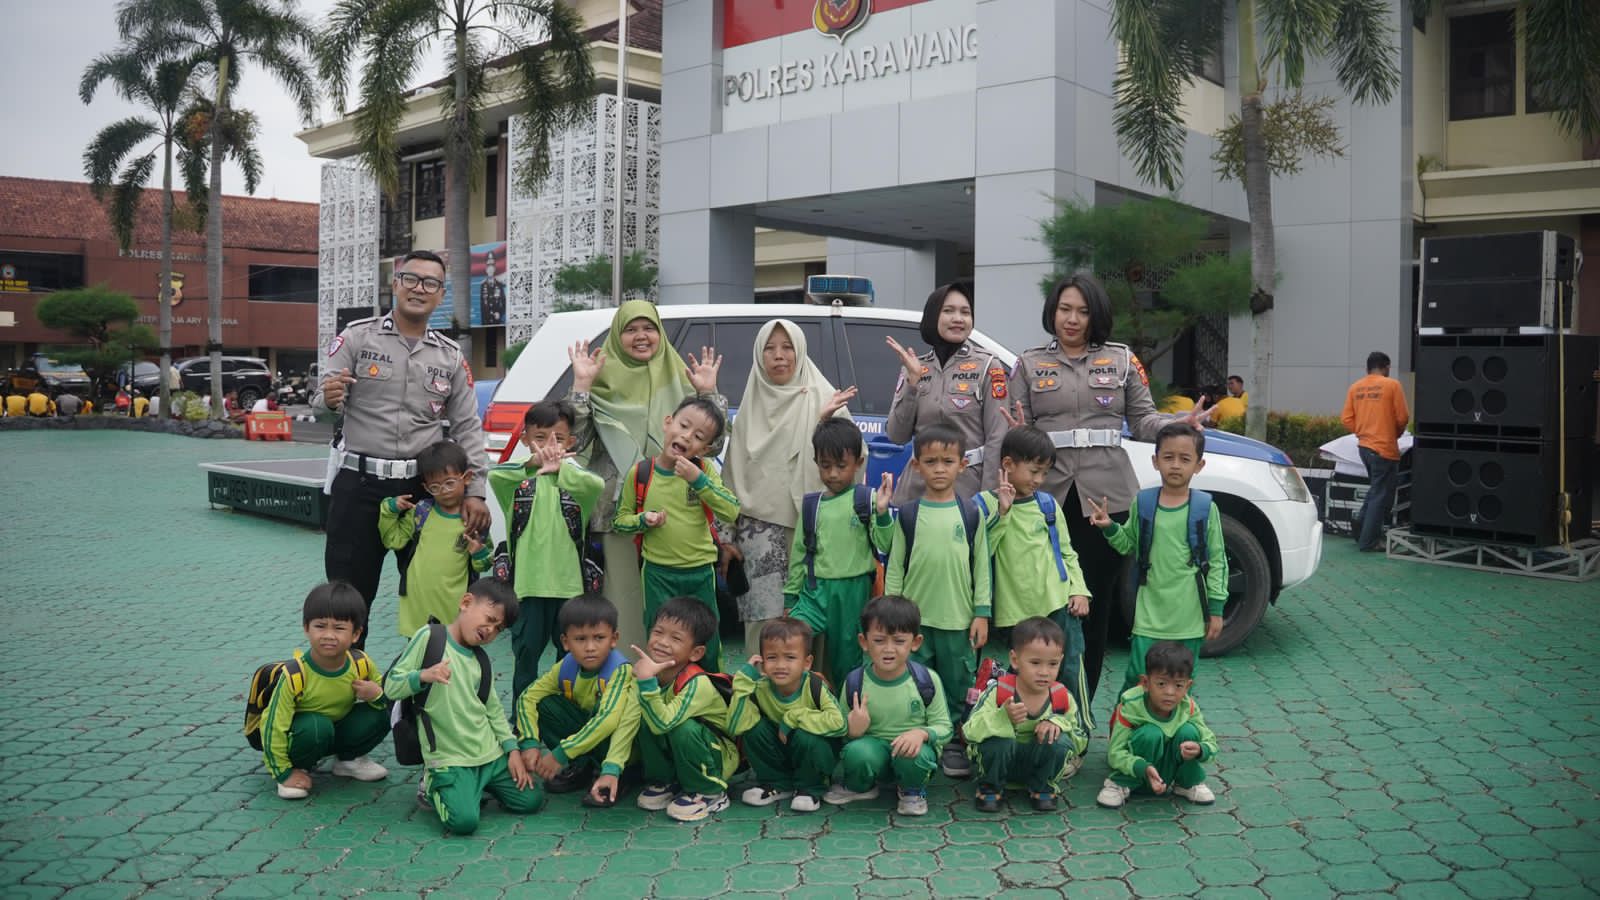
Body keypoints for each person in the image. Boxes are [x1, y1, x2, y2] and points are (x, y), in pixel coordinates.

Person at [1007, 272, 1206, 707]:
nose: (1072, 319)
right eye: (1064, 309)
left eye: (1082, 311)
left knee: (1091, 612)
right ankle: (1037, 708)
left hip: (1105, 501)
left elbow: (1144, 420)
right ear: (1052, 312)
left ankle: (1078, 714)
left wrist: (1178, 424)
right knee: (1041, 609)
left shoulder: (1121, 360)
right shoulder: (1028, 364)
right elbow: (1017, 432)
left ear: (1095, 315)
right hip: (1045, 501)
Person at [314, 250, 489, 649]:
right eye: (411, 279)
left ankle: (433, 678)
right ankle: (349, 678)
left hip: (424, 494)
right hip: (360, 487)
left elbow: (467, 426)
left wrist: (475, 490)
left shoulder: (450, 356)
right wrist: (329, 399)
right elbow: (321, 404)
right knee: (348, 598)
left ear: (441, 293)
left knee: (437, 592)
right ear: (395, 284)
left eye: (430, 283)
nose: (419, 288)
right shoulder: (357, 337)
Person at [566, 299, 724, 651]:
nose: (641, 336)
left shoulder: (681, 380)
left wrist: (707, 393)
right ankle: (630, 674)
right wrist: (582, 387)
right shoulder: (600, 381)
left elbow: (712, 447)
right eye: (631, 329)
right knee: (625, 602)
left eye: (649, 328)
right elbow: (574, 441)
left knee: (679, 613)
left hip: (677, 514)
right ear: (617, 336)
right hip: (618, 515)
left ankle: (676, 676)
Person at [722, 319, 857, 652]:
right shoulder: (750, 409)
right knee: (763, 625)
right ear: (759, 356)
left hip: (815, 528)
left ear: (800, 352)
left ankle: (812, 685)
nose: (779, 356)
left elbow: (853, 459)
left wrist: (825, 422)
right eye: (769, 349)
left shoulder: (824, 398)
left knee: (811, 624)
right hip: (759, 534)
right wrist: (725, 538)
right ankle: (758, 686)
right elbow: (730, 478)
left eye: (787, 347)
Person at [385, 578, 545, 835]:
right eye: (489, 619)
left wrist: (512, 750)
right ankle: (434, 786)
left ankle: (477, 786)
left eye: (499, 629)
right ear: (466, 602)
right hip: (450, 758)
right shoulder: (430, 637)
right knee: (464, 822)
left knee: (531, 800)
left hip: (489, 755)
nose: (490, 630)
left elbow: (493, 710)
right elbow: (391, 686)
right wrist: (423, 676)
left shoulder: (481, 659)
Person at [876, 423, 991, 778]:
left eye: (947, 461)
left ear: (962, 465)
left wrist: (981, 613)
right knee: (916, 682)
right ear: (916, 466)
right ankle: (916, 738)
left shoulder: (971, 513)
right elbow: (895, 566)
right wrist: (892, 614)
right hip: (914, 624)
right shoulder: (908, 514)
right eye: (930, 461)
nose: (939, 469)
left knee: (958, 685)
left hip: (958, 620)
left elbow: (981, 567)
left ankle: (954, 742)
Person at [1091, 422, 1227, 696]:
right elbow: (1128, 544)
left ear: (1199, 465)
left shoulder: (1205, 508)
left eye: (1185, 459)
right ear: (1155, 461)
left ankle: (1177, 726)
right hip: (1149, 617)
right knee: (1137, 680)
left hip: (1189, 619)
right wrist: (1109, 528)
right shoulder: (1143, 502)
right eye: (1168, 457)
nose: (1175, 465)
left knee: (1180, 685)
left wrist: (1216, 610)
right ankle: (1125, 723)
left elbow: (1218, 562)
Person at [977, 425, 1093, 733]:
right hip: (1015, 612)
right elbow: (981, 551)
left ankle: (1077, 733)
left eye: (1044, 473)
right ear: (1008, 464)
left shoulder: (1048, 505)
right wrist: (1003, 513)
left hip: (1058, 605)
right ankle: (1020, 732)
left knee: (1069, 669)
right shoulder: (984, 504)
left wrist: (1079, 590)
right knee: (1022, 677)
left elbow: (1067, 553)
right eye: (1034, 471)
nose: (1039, 480)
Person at [613, 397, 740, 672]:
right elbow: (620, 521)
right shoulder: (641, 473)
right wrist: (642, 520)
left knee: (706, 640)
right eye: (683, 425)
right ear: (668, 422)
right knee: (661, 641)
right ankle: (660, 690)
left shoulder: (703, 470)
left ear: (705, 449)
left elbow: (731, 510)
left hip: (700, 572)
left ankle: (713, 687)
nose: (687, 436)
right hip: (658, 574)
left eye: (698, 437)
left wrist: (698, 480)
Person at [488, 401, 605, 697]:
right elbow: (495, 476)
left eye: (559, 439)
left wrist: (560, 468)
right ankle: (523, 717)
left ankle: (561, 716)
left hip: (570, 590)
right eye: (540, 438)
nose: (550, 446)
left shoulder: (575, 484)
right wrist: (532, 465)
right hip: (526, 589)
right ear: (525, 439)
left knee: (568, 661)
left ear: (571, 442)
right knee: (525, 658)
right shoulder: (518, 482)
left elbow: (596, 485)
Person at [823, 595, 953, 816]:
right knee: (857, 752)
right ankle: (861, 786)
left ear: (915, 642)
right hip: (873, 752)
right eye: (879, 640)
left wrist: (921, 733)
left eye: (899, 641)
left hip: (911, 755)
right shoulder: (855, 682)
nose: (889, 649)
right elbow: (839, 731)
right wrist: (852, 730)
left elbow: (945, 728)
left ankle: (912, 791)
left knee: (915, 755)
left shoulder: (926, 680)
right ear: (864, 642)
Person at [260, 582, 390, 800]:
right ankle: (298, 767)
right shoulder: (295, 674)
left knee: (384, 711)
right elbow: (273, 725)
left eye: (339, 628)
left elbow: (391, 700)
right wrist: (282, 772)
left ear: (356, 634)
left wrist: (376, 695)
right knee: (317, 726)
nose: (329, 635)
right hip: (305, 735)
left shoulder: (360, 662)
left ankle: (348, 760)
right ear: (306, 628)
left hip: (334, 729)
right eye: (320, 626)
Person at [884, 281, 1009, 503]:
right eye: (949, 311)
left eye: (965, 312)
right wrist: (912, 383)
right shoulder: (915, 366)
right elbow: (896, 436)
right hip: (917, 491)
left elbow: (997, 437)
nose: (958, 318)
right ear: (933, 316)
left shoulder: (988, 365)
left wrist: (988, 498)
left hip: (967, 488)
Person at [515, 595, 640, 808]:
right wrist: (529, 742)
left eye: (599, 638)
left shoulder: (620, 670)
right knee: (545, 704)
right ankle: (583, 767)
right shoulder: (567, 667)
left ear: (614, 639)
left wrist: (560, 754)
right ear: (565, 642)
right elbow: (528, 697)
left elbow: (608, 721)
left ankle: (618, 773)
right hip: (589, 737)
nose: (590, 647)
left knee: (604, 713)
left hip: (621, 748)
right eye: (580, 639)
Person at [785, 418, 882, 687]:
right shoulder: (811, 505)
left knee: (846, 660)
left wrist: (883, 514)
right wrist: (791, 597)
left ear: (858, 463)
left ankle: (846, 706)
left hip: (853, 592)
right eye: (825, 466)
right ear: (816, 462)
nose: (833, 474)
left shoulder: (866, 499)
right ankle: (793, 700)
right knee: (789, 640)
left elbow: (885, 543)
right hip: (814, 591)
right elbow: (799, 554)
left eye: (841, 466)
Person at [630, 595, 740, 822]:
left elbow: (663, 724)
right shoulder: (652, 671)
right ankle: (666, 781)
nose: (662, 642)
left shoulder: (697, 682)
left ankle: (710, 791)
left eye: (676, 638)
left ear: (695, 653)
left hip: (717, 755)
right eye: (658, 632)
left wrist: (646, 683)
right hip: (684, 749)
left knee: (683, 728)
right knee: (643, 715)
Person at [963, 617, 1089, 812]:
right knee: (998, 742)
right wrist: (1002, 717)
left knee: (1059, 741)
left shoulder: (1061, 696)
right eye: (1035, 663)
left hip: (1035, 762)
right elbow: (969, 731)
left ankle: (1042, 786)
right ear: (1015, 660)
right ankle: (990, 787)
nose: (1044, 672)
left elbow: (1081, 740)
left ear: (1061, 661)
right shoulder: (999, 690)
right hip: (1000, 762)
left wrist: (1057, 723)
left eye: (1053, 664)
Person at [728, 618, 847, 813]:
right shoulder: (759, 688)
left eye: (790, 657)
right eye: (772, 657)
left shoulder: (815, 686)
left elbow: (840, 724)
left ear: (807, 662)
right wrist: (742, 685)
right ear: (762, 662)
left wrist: (793, 718)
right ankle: (778, 784)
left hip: (813, 755)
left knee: (805, 735)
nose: (780, 665)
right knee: (753, 728)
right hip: (781, 751)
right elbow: (735, 727)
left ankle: (810, 788)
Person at [379, 441, 493, 637]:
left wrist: (478, 553)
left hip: (454, 607)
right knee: (418, 650)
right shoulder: (422, 511)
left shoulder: (473, 519)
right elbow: (393, 540)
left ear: (466, 478)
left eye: (450, 483)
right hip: (417, 605)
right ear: (426, 487)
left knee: (450, 652)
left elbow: (484, 564)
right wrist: (389, 510)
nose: (444, 491)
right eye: (435, 486)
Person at [1097, 641, 1219, 809]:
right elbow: (1115, 752)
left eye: (1178, 685)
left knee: (1189, 731)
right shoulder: (1131, 705)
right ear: (1145, 683)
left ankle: (1187, 783)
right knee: (1150, 733)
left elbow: (1211, 743)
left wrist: (1200, 750)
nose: (1169, 692)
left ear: (1188, 686)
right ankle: (1120, 784)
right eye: (1161, 683)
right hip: (1137, 768)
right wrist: (1142, 767)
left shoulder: (1188, 706)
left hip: (1167, 769)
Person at [1342, 351, 1410, 552]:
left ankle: (1360, 531)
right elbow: (1403, 417)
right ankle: (1369, 541)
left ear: (1367, 368)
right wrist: (1394, 434)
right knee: (1381, 497)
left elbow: (1346, 418)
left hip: (1364, 447)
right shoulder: (1392, 385)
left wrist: (1363, 431)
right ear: (1387, 367)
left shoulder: (1355, 387)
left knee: (1375, 491)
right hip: (1384, 449)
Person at [479, 250, 506, 326]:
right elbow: (481, 306)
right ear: (486, 270)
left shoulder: (499, 285)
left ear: (494, 269)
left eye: (492, 267)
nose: (490, 270)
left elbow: (504, 302)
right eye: (488, 267)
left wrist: (500, 313)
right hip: (486, 321)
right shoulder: (482, 285)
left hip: (497, 321)